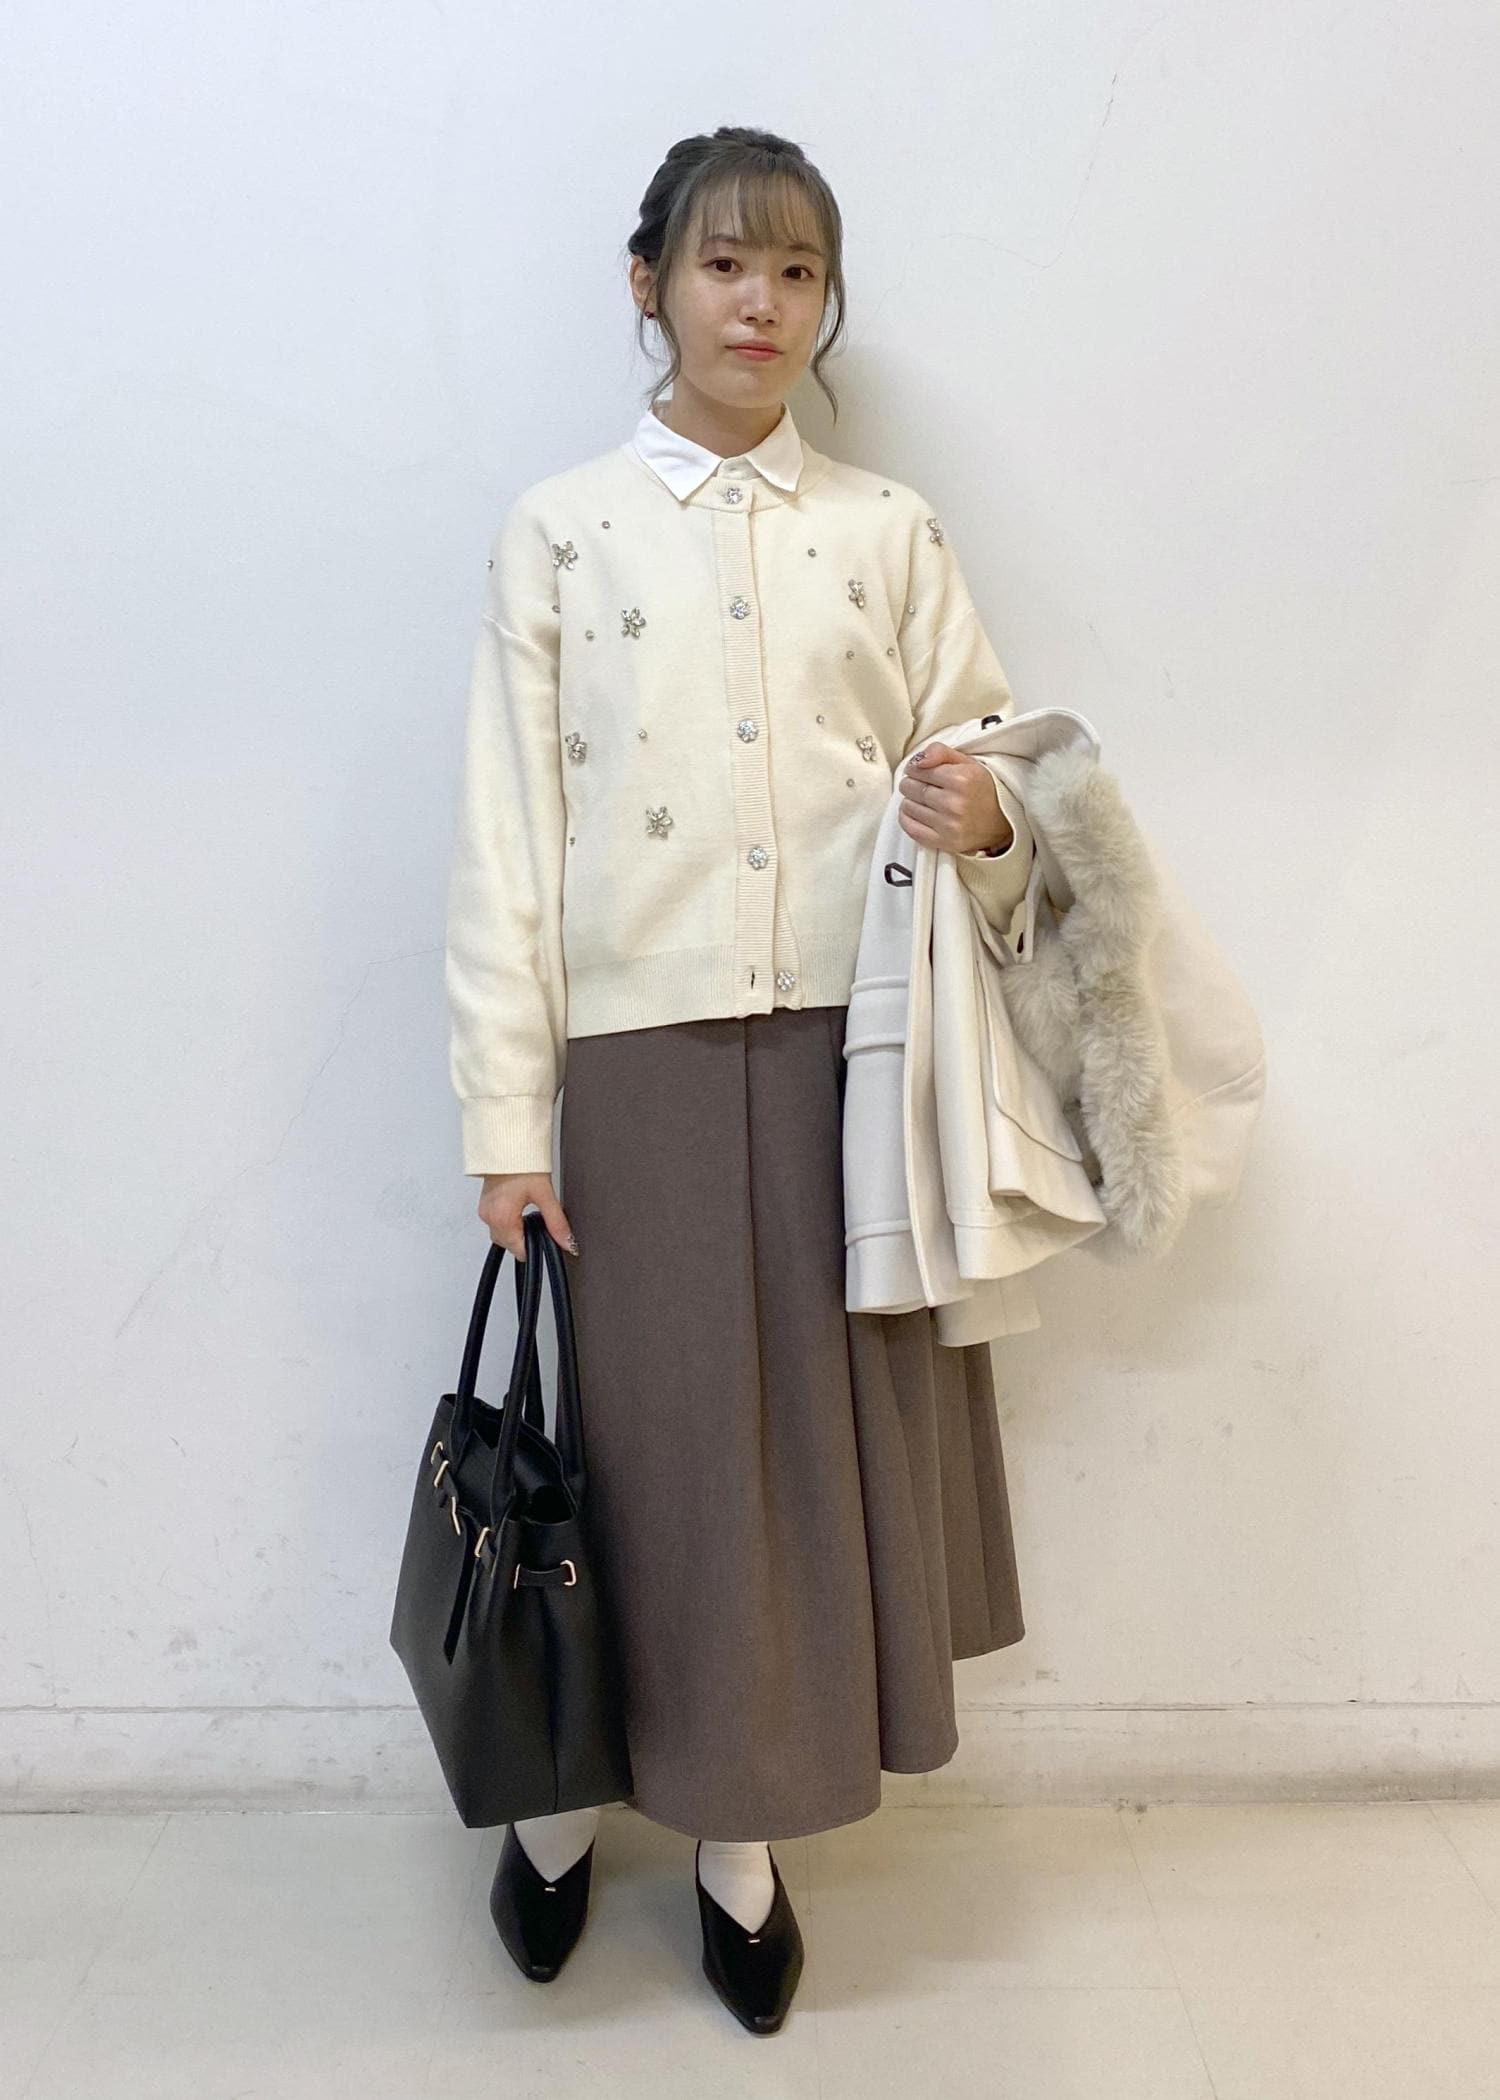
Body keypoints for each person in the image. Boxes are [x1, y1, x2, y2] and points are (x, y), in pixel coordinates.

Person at [444, 123, 1035, 2035]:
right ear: (650, 285)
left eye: (796, 271)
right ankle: (556, 1805)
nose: (760, 304)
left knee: (806, 1463)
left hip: (858, 1054)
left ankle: (741, 1845)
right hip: (636, 1065)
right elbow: (510, 843)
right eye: (722, 264)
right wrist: (507, 1122)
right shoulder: (561, 531)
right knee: (642, 1451)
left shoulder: (888, 531)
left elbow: (1006, 765)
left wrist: (984, 815)